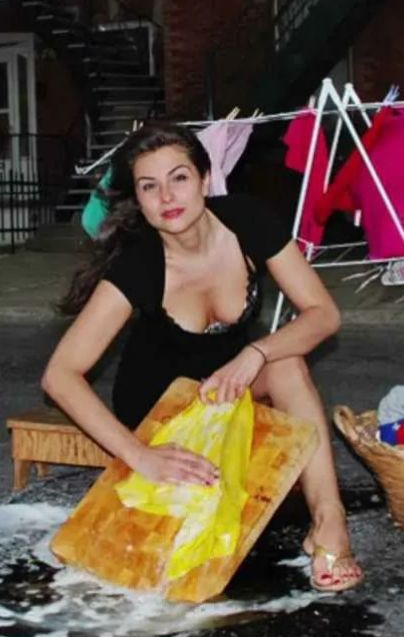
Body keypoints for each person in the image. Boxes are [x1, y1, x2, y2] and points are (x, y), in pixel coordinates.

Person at [42, 122, 364, 593]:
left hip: (226, 385)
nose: (166, 197)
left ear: (205, 179)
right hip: (160, 410)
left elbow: (323, 314)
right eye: (149, 186)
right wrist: (139, 455)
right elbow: (60, 375)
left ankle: (329, 524)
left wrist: (256, 352)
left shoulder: (246, 221)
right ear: (138, 199)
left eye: (179, 178)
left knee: (286, 361)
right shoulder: (139, 265)